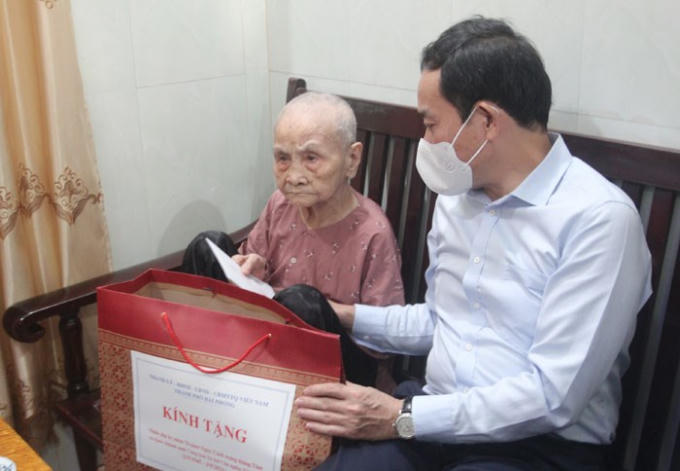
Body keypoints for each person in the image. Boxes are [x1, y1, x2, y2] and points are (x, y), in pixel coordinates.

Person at [294, 16, 653, 471]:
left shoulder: (598, 220)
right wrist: (343, 315)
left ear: (484, 121)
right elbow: (442, 320)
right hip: (433, 419)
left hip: (537, 446)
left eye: (430, 124)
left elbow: (552, 396)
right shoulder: (457, 199)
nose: (426, 141)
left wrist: (404, 417)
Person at [180, 92, 405, 390]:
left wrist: (320, 310)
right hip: (267, 340)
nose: (295, 176)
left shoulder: (372, 231)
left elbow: (385, 340)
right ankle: (212, 368)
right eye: (283, 159)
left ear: (352, 159)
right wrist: (253, 266)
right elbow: (253, 268)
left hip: (341, 370)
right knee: (206, 245)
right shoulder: (280, 204)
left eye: (311, 158)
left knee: (302, 303)